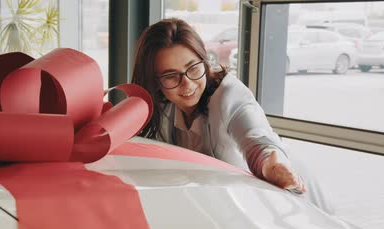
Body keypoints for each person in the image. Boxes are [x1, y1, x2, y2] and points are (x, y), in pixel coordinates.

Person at [132, 18, 333, 213]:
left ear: (205, 61)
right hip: (240, 209)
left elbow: (257, 140)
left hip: (299, 203)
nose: (187, 83)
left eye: (193, 68)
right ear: (155, 81)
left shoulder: (230, 95)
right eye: (170, 76)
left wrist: (270, 165)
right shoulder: (164, 109)